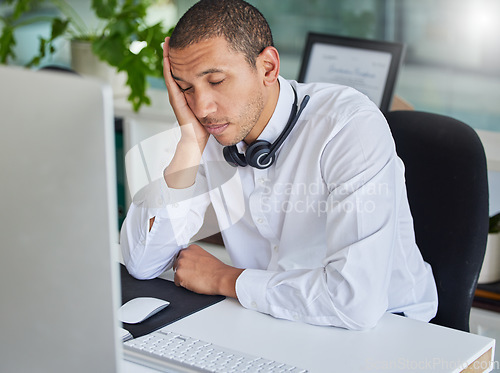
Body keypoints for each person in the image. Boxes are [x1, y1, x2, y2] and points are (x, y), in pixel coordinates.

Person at [120, 0, 438, 330]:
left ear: (268, 68)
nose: (202, 107)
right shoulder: (206, 129)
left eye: (216, 81)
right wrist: (189, 144)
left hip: (391, 326)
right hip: (276, 317)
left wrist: (226, 279)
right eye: (185, 88)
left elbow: (354, 302)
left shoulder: (348, 127)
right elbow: (143, 263)